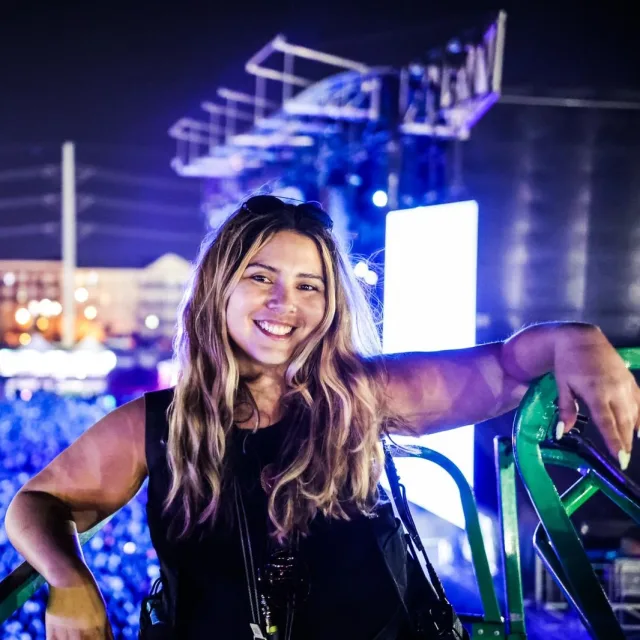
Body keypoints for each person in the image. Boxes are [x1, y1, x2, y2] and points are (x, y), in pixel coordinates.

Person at [5, 195, 640, 640]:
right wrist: (69, 577)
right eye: (262, 277)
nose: (287, 302)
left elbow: (505, 369)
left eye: (310, 285)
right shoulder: (158, 423)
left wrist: (573, 339)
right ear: (216, 291)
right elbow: (37, 503)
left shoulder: (363, 394)